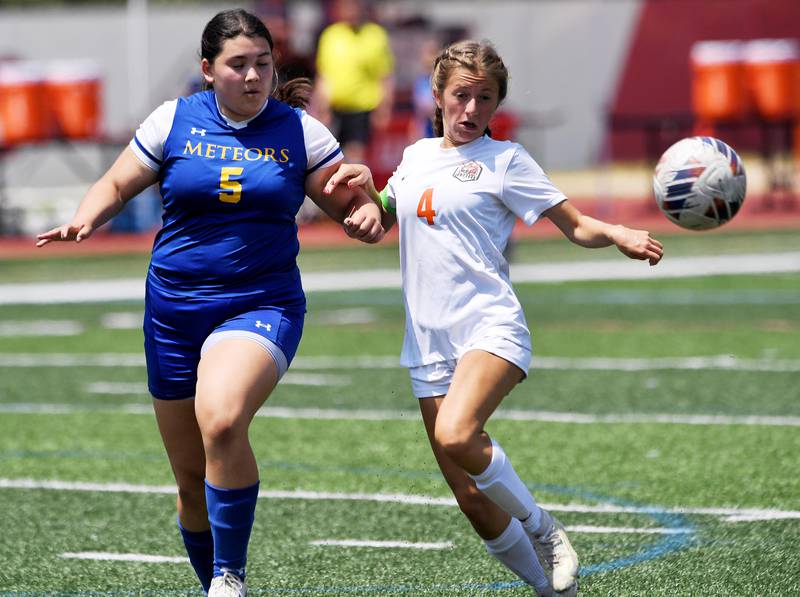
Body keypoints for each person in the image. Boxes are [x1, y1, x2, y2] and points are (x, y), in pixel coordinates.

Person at [37, 9, 383, 597]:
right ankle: (213, 586)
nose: (253, 77)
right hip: (173, 312)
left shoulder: (301, 132)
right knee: (190, 480)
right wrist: (85, 218)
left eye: (264, 65)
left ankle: (230, 578)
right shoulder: (174, 120)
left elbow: (356, 217)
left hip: (260, 304)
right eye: (238, 65)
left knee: (221, 420)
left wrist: (371, 212)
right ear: (207, 70)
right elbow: (118, 183)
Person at [325, 40, 663, 596]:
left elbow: (575, 225)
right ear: (437, 97)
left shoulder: (507, 160)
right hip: (427, 340)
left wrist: (619, 233)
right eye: (461, 95)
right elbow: (382, 216)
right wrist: (363, 202)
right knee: (473, 498)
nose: (471, 109)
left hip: (489, 326)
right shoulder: (413, 158)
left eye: (485, 97)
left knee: (457, 434)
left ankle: (545, 531)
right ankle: (551, 590)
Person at [314, 0, 395, 163]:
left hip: (362, 109)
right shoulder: (330, 35)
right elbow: (323, 76)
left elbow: (385, 76)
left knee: (354, 158)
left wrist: (384, 108)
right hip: (334, 109)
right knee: (329, 159)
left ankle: (352, 188)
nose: (350, 10)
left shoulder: (375, 35)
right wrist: (321, 108)